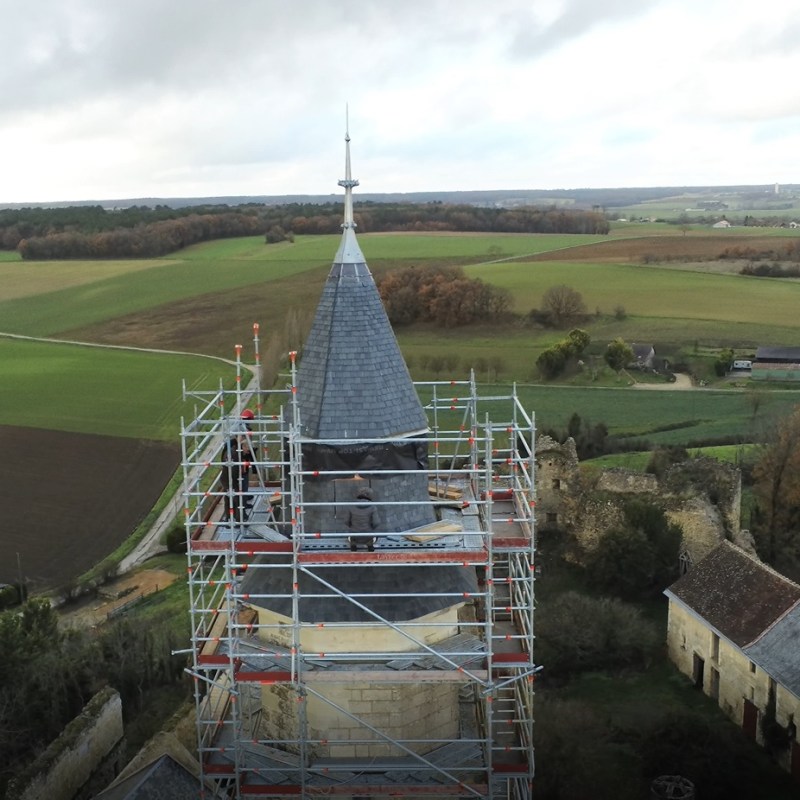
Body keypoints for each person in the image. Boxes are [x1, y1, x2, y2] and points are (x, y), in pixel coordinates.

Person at [347, 488, 378, 552]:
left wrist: (352, 526)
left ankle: (353, 545)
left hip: (355, 534)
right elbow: (376, 522)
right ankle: (370, 545)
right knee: (374, 535)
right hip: (368, 534)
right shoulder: (373, 507)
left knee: (350, 535)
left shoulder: (351, 506)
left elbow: (346, 521)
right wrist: (371, 528)